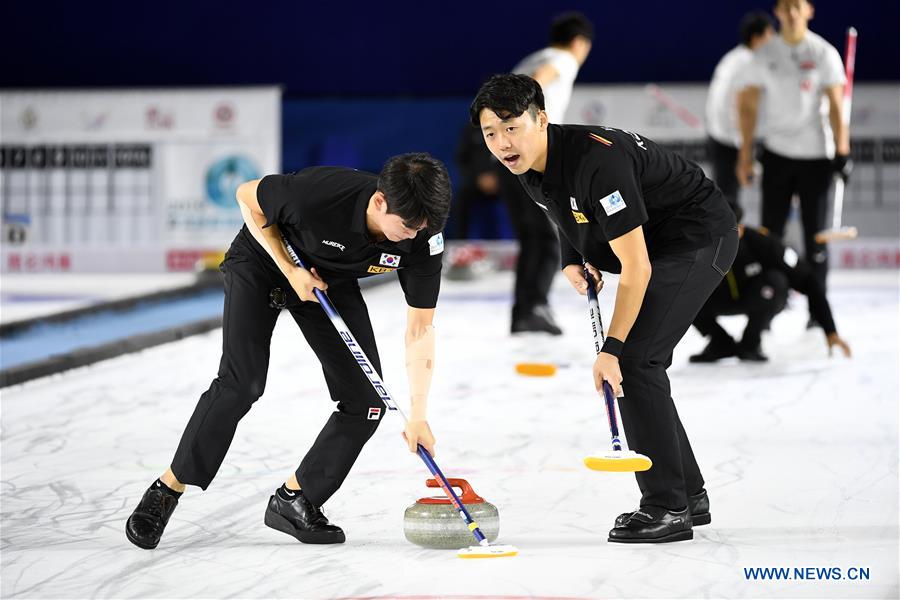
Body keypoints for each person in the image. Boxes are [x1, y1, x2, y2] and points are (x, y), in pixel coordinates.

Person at [125, 154, 451, 549]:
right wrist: (290, 268)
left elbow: (420, 328)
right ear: (380, 203)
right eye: (408, 227)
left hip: (328, 279)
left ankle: (295, 500)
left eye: (424, 228)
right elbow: (246, 196)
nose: (415, 236)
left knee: (367, 402)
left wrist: (418, 414)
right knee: (241, 384)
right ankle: (167, 489)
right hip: (264, 262)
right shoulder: (321, 195)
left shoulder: (423, 239)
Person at [471, 74, 738, 543]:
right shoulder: (529, 162)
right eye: (491, 133)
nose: (502, 144)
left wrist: (611, 348)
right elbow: (560, 209)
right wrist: (572, 258)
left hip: (696, 238)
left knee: (634, 363)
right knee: (640, 365)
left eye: (512, 128)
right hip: (655, 242)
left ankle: (667, 507)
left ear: (542, 120)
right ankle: (687, 494)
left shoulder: (597, 163)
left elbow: (635, 268)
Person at [736, 0, 851, 325]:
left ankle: (818, 309)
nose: (791, 13)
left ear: (809, 10)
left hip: (817, 156)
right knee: (771, 235)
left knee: (817, 237)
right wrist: (745, 155)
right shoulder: (764, 54)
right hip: (777, 155)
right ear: (777, 12)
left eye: (797, 6)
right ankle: (772, 301)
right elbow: (748, 107)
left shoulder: (823, 53)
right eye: (785, 6)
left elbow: (836, 105)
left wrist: (843, 150)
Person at [498, 11, 594, 335]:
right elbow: (540, 78)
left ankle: (525, 311)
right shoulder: (563, 58)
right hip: (532, 156)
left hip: (505, 155)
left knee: (533, 239)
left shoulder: (531, 56)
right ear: (580, 42)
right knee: (550, 237)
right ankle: (533, 308)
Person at [690, 202, 851, 362]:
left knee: (776, 281)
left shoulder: (763, 243)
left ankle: (751, 342)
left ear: (740, 228)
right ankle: (720, 342)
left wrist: (831, 331)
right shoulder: (698, 248)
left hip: (758, 296)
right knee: (682, 292)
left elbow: (808, 280)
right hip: (717, 299)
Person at [705, 11, 774, 210]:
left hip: (718, 136)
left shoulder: (732, 57)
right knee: (728, 205)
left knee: (726, 202)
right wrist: (746, 156)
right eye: (770, 35)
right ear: (756, 38)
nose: (774, 42)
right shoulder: (750, 62)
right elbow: (743, 110)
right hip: (730, 141)